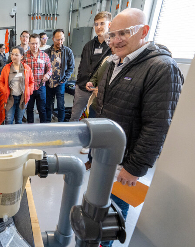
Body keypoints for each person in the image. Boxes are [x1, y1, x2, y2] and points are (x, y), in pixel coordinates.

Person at [94, 8, 184, 247]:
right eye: (113, 34)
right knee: (97, 209)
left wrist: (134, 168)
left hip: (126, 163)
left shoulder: (161, 68)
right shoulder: (115, 62)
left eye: (124, 33)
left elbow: (158, 126)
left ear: (144, 31)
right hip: (106, 156)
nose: (116, 40)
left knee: (112, 216)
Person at [70, 11, 112, 122]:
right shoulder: (88, 45)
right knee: (75, 116)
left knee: (95, 119)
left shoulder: (113, 48)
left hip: (99, 91)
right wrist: (79, 81)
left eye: (102, 23)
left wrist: (101, 88)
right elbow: (82, 64)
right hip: (82, 87)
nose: (98, 27)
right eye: (96, 24)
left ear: (110, 24)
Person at [44, 29, 74, 122]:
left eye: (61, 39)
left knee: (61, 105)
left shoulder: (68, 51)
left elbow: (71, 67)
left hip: (60, 83)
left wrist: (64, 79)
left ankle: (61, 123)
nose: (59, 42)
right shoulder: (47, 52)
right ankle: (48, 122)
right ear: (53, 39)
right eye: (57, 39)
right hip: (49, 83)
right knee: (48, 104)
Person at [0, 46, 35, 124]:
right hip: (10, 98)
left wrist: (29, 91)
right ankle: (10, 136)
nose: (13, 56)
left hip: (22, 98)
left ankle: (17, 136)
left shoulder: (26, 68)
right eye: (12, 54)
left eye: (16, 55)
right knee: (8, 120)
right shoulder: (6, 68)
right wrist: (4, 90)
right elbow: (1, 82)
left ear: (21, 56)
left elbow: (32, 82)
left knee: (19, 120)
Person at [23, 33, 52, 123]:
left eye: (36, 43)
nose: (34, 46)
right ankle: (30, 129)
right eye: (32, 43)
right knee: (29, 109)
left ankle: (43, 129)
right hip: (28, 87)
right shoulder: (24, 56)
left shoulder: (45, 55)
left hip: (41, 87)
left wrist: (47, 75)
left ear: (39, 43)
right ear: (29, 43)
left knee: (42, 109)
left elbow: (50, 68)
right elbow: (20, 69)